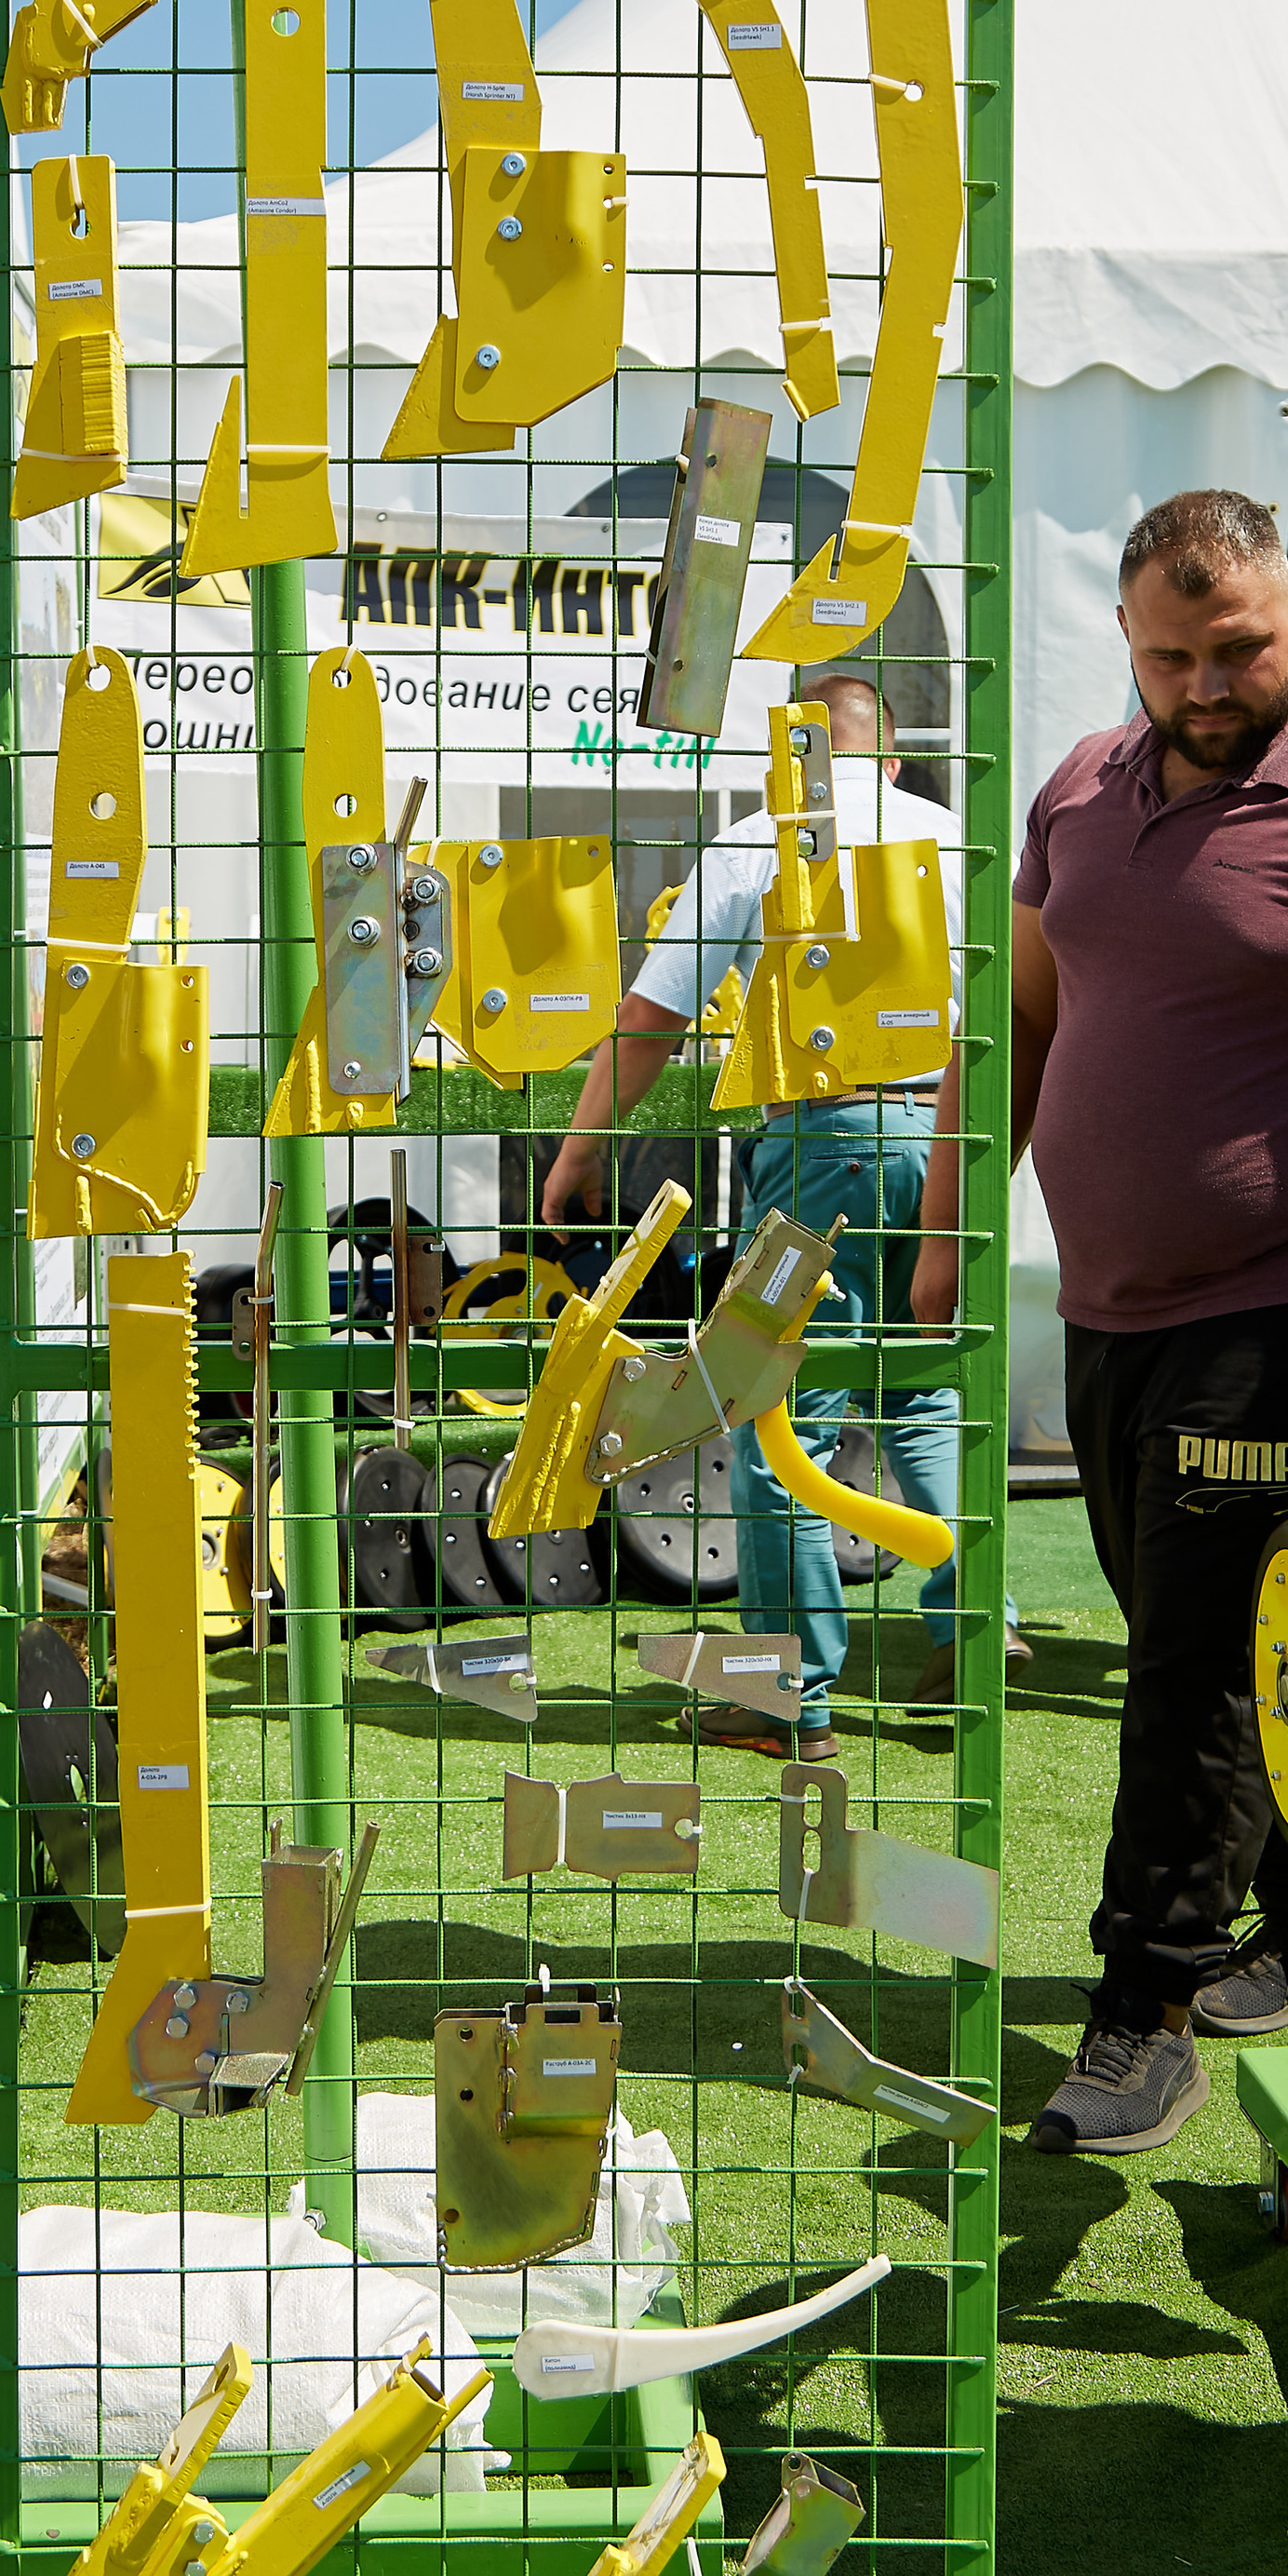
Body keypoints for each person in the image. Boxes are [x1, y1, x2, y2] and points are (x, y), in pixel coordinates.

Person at [910, 490, 1288, 2156]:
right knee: (1217, 1630)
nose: (1204, 681)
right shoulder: (1079, 797)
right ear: (1126, 639)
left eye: (1238, 646)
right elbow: (1027, 1017)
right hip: (1115, 1308)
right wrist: (949, 1228)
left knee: (1184, 1665)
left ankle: (1145, 2011)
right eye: (1171, 654)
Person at [539, 673, 1020, 1761]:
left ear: (791, 757)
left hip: (822, 1143)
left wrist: (576, 1157)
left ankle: (786, 1696)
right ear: (892, 760)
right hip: (955, 1144)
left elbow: (648, 1015)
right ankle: (973, 1621)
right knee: (925, 1394)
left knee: (778, 1419)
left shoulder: (762, 839)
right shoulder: (962, 846)